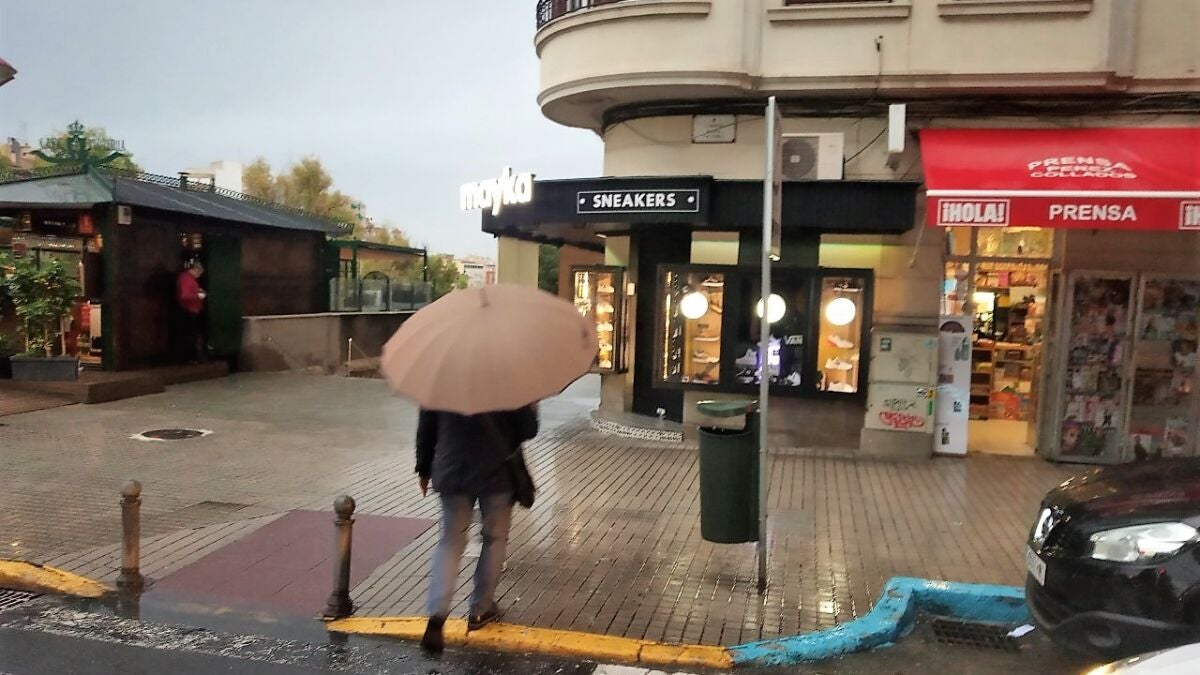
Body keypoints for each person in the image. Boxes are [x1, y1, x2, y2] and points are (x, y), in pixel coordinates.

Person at [415, 404, 538, 654]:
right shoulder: (508, 383)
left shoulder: (440, 382)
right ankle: (481, 610)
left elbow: (427, 426)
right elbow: (528, 429)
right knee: (494, 539)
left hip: (452, 468)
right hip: (497, 474)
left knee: (450, 542)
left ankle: (437, 616)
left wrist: (424, 467)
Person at [176, 261, 207, 363]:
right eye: (199, 273)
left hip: (191, 309)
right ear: (195, 270)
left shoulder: (187, 278)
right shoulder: (186, 279)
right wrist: (198, 295)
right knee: (189, 335)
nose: (199, 276)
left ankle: (189, 357)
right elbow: (184, 296)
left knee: (189, 334)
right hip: (188, 310)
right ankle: (188, 358)